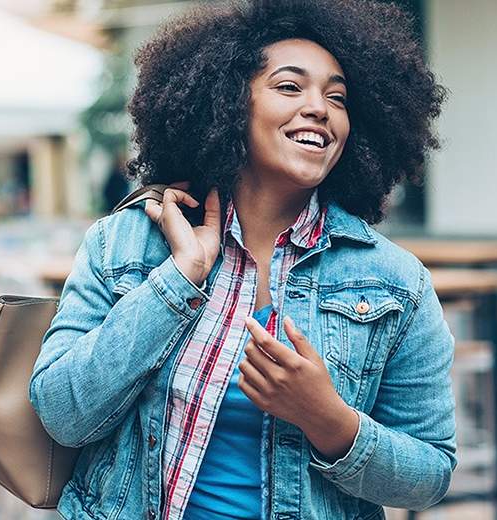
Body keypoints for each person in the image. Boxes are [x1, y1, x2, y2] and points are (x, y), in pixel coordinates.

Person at [30, 1, 455, 519]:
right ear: (230, 102)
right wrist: (176, 281)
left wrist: (328, 420)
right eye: (289, 87)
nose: (320, 107)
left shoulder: (395, 282)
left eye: (337, 97)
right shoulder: (127, 242)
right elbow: (61, 413)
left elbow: (430, 473)